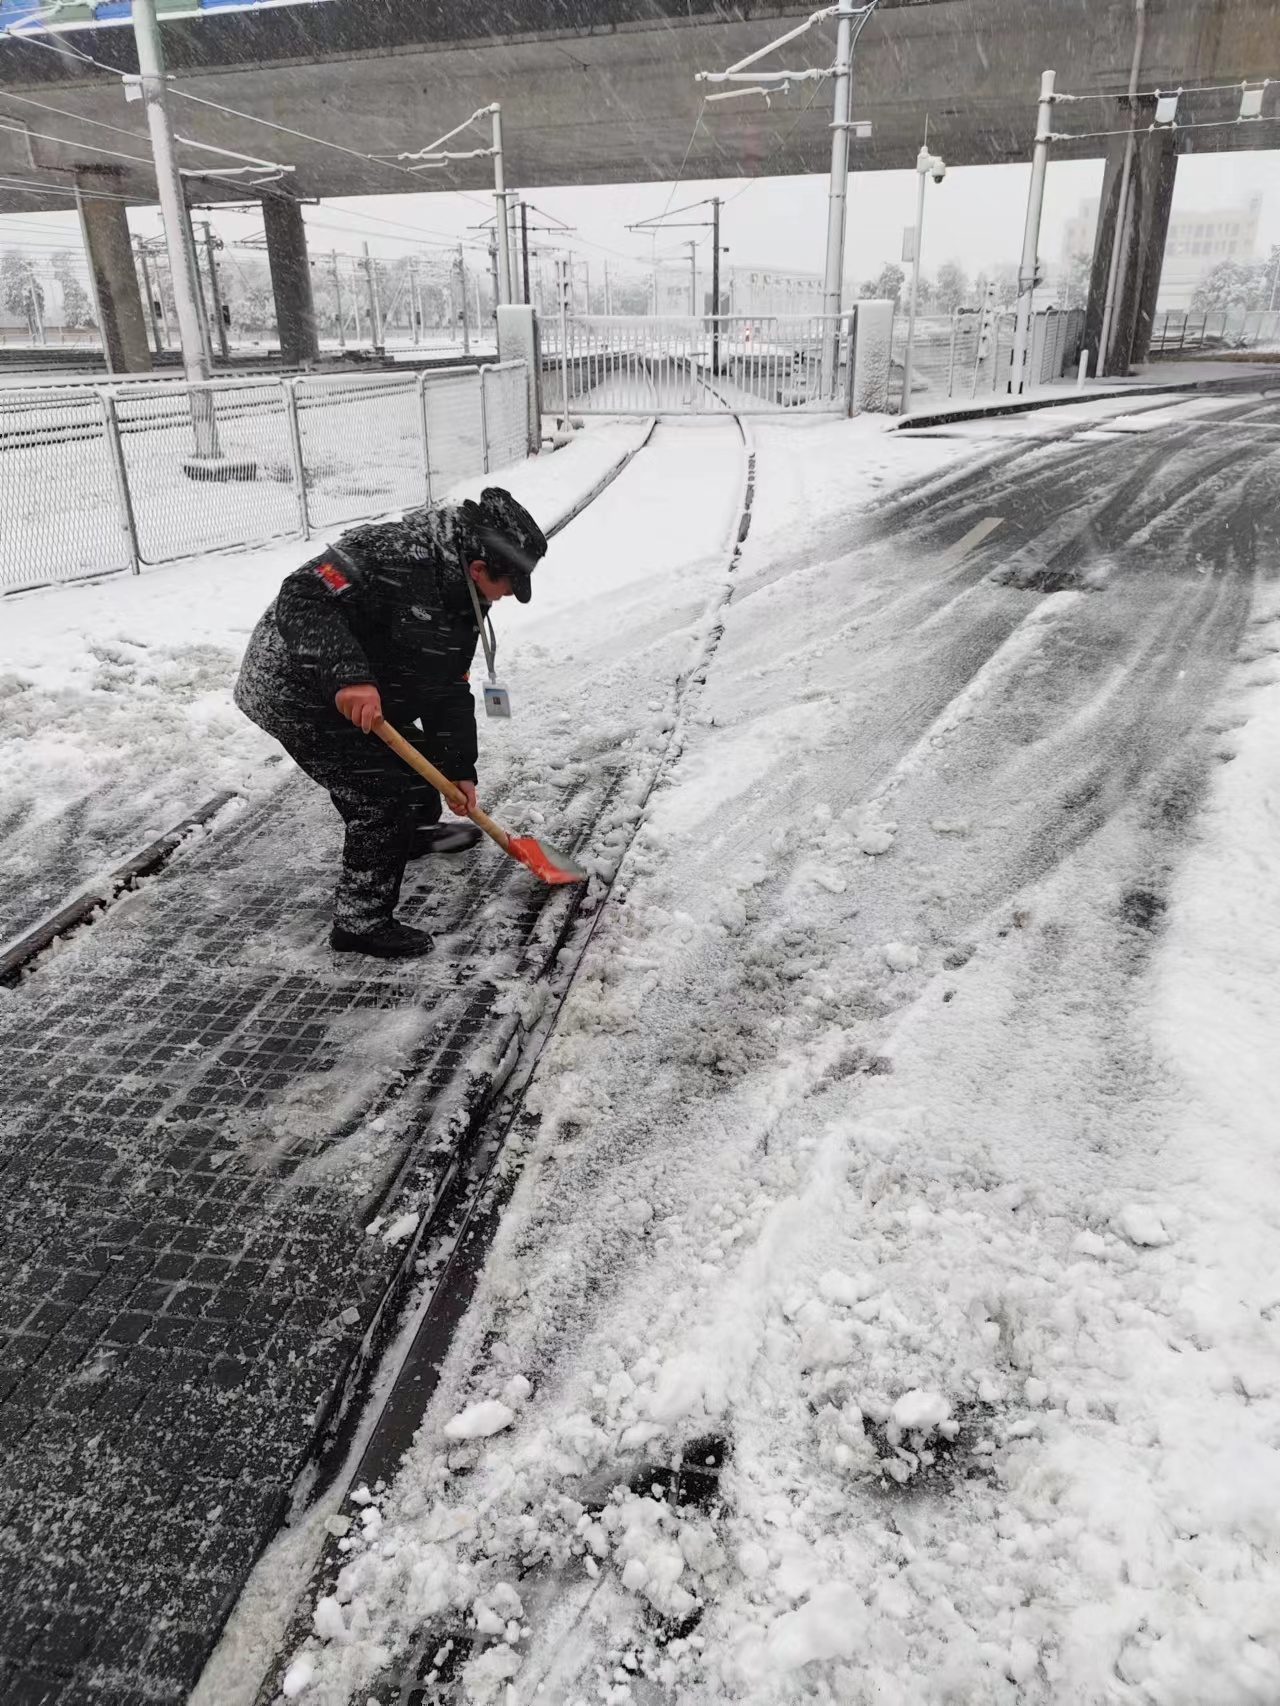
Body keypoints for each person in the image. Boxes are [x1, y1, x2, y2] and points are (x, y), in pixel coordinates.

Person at [234, 487, 547, 959]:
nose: (504, 600)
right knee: (380, 796)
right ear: (480, 569)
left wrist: (459, 767)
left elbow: (448, 687)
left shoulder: (464, 594)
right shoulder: (388, 551)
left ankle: (409, 837)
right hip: (295, 689)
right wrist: (347, 676)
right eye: (506, 588)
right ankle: (360, 924)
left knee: (420, 766)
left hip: (368, 686)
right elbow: (302, 595)